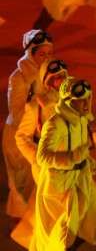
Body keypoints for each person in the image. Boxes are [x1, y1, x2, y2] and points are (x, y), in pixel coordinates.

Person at [31, 77, 96, 251]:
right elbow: (43, 157)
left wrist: (94, 144)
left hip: (81, 179)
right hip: (61, 187)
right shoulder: (55, 124)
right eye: (81, 100)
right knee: (63, 234)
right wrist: (72, 158)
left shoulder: (82, 119)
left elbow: (83, 146)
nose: (86, 104)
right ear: (69, 101)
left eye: (88, 98)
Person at [10, 59, 68, 249]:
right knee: (51, 215)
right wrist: (37, 158)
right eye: (55, 78)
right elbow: (21, 137)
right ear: (46, 80)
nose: (60, 81)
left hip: (69, 166)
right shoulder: (36, 105)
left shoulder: (73, 103)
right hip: (47, 168)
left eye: (63, 77)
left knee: (64, 213)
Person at [2, 30, 53, 219]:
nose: (46, 58)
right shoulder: (19, 77)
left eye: (50, 54)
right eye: (42, 54)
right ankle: (19, 223)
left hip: (39, 135)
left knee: (38, 183)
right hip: (19, 137)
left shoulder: (49, 73)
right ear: (31, 53)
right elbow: (16, 113)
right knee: (21, 183)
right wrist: (37, 101)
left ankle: (32, 224)